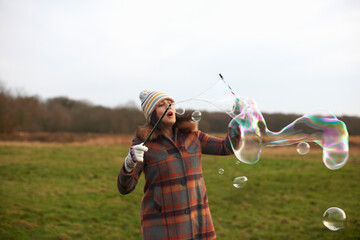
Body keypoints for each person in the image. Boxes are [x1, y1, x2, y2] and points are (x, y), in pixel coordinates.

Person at [117, 90, 239, 240]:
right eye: (161, 105)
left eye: (170, 103)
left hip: (198, 223)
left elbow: (227, 147)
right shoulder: (144, 143)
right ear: (152, 114)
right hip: (163, 227)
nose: (168, 107)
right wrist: (130, 163)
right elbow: (125, 188)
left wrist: (238, 122)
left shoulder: (193, 135)